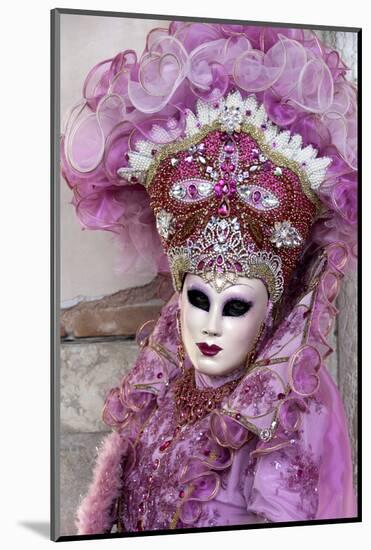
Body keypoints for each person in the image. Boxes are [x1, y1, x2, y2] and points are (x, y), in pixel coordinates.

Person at [60, 21, 358, 534]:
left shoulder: (282, 418)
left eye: (237, 305)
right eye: (199, 299)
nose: (211, 326)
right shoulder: (163, 382)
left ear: (271, 311)